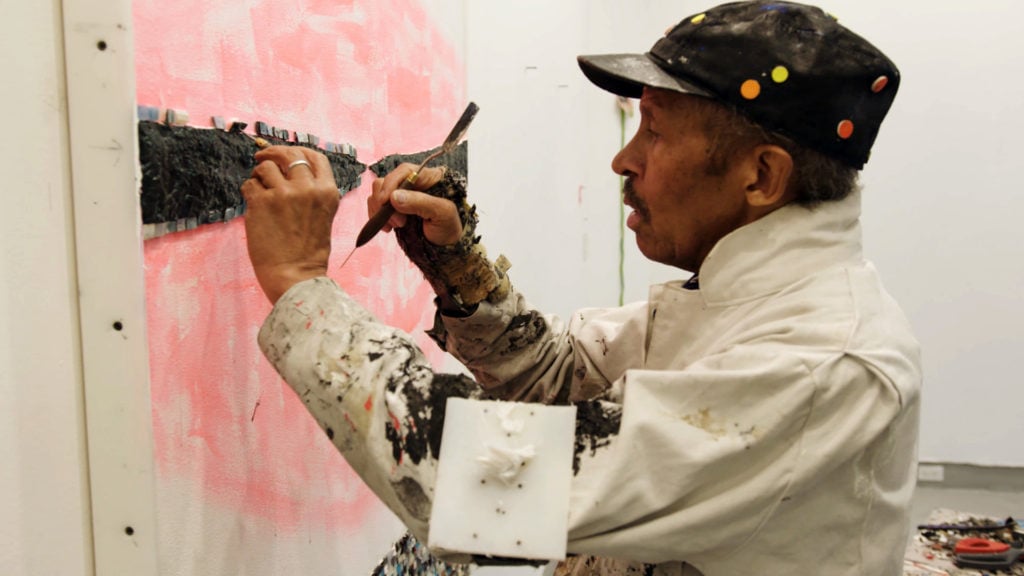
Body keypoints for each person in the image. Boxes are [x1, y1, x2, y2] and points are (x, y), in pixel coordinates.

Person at [241, 2, 922, 575]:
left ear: (762, 178)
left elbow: (495, 481)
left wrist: (303, 288)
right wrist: (456, 265)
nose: (623, 160)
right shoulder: (737, 300)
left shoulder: (818, 363)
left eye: (653, 131)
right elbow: (560, 379)